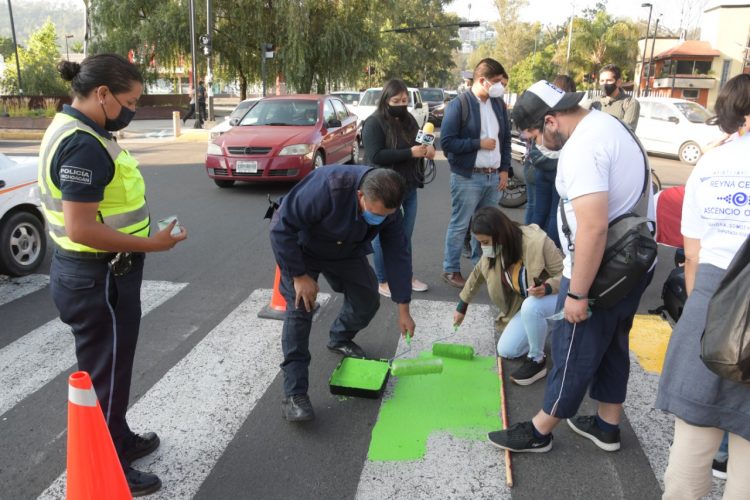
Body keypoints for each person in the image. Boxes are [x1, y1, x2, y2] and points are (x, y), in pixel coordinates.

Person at [40, 54, 188, 496]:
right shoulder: (83, 143)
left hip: (92, 275)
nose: (133, 109)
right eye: (130, 100)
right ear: (102, 94)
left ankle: (117, 437)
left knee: (113, 370)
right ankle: (109, 467)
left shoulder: (77, 129)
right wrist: (154, 244)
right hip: (98, 279)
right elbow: (82, 227)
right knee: (105, 375)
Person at [487, 79, 654, 454]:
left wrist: (577, 292)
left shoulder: (582, 148)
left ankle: (540, 430)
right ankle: (607, 425)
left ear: (551, 121)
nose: (533, 144)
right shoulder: (608, 125)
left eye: (532, 135)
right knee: (612, 344)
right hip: (632, 261)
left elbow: (593, 227)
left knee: (571, 346)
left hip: (600, 268)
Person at [655, 73, 750, 499]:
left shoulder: (710, 163)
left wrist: (709, 314)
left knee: (691, 446)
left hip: (710, 302)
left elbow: (691, 255)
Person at [269, 166, 416, 422]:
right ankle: (294, 395)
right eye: (374, 213)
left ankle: (339, 337)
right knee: (299, 312)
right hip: (304, 250)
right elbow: (281, 227)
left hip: (347, 249)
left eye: (385, 216)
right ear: (360, 195)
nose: (379, 219)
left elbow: (398, 254)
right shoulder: (327, 187)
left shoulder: (390, 209)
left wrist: (404, 307)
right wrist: (298, 276)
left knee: (368, 299)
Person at [453, 206, 563, 385]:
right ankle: (544, 327)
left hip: (558, 298)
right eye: (480, 242)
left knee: (531, 306)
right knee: (507, 350)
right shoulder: (495, 249)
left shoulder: (537, 242)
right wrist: (462, 306)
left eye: (485, 242)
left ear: (500, 234)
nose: (483, 247)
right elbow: (477, 275)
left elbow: (567, 275)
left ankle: (537, 360)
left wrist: (548, 287)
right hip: (532, 304)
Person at [440, 57, 512, 288]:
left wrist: (504, 170)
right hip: (468, 176)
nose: (501, 86)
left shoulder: (498, 105)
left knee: (488, 227)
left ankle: (484, 268)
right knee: (461, 224)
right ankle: (451, 269)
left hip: (494, 176)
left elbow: (506, 140)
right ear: (482, 80)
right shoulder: (459, 105)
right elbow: (448, 143)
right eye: (498, 81)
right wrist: (478, 144)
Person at [363, 79, 433, 298]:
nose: (401, 104)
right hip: (384, 189)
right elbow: (375, 156)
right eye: (396, 100)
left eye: (404, 100)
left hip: (408, 187)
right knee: (382, 237)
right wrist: (409, 153)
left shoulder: (409, 119)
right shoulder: (374, 122)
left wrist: (427, 149)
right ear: (386, 99)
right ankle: (383, 279)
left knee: (404, 236)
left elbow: (419, 141)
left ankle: (405, 276)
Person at [526, 74, 576, 248]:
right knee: (556, 214)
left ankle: (530, 249)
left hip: (540, 166)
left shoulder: (543, 109)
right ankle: (551, 255)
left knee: (538, 212)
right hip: (558, 169)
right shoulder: (568, 113)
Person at [589, 64, 640, 130]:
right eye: (602, 81)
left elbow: (627, 131)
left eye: (609, 80)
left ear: (618, 82)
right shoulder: (594, 101)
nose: (605, 84)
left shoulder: (630, 103)